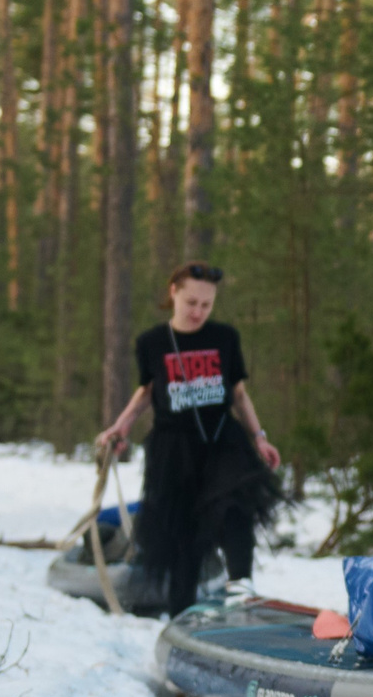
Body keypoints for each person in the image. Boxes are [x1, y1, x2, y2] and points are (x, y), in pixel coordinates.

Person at [97, 263, 283, 616]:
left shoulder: (225, 338)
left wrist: (259, 438)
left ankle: (240, 585)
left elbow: (239, 395)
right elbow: (146, 393)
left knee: (235, 502)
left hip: (221, 440)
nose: (198, 311)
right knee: (182, 533)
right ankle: (180, 612)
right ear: (174, 293)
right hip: (173, 448)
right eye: (191, 302)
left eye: (206, 305)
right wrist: (119, 428)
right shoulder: (152, 343)